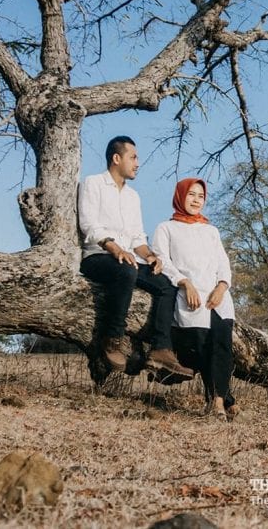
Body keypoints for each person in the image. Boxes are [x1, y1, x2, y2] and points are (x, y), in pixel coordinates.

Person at [77, 135, 193, 382]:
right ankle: (112, 339)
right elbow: (88, 224)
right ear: (116, 158)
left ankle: (161, 350)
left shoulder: (133, 197)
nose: (138, 163)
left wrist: (151, 256)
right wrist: (114, 248)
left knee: (165, 284)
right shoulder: (93, 183)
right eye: (134, 157)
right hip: (97, 257)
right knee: (126, 270)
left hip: (128, 260)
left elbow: (138, 238)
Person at [153, 178, 238, 420]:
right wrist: (185, 282)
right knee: (201, 347)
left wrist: (222, 286)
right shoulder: (166, 228)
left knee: (222, 346)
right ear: (180, 196)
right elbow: (163, 262)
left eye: (200, 196)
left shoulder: (211, 231)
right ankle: (223, 396)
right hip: (188, 295)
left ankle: (218, 402)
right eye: (191, 194)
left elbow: (223, 262)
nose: (196, 200)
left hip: (217, 297)